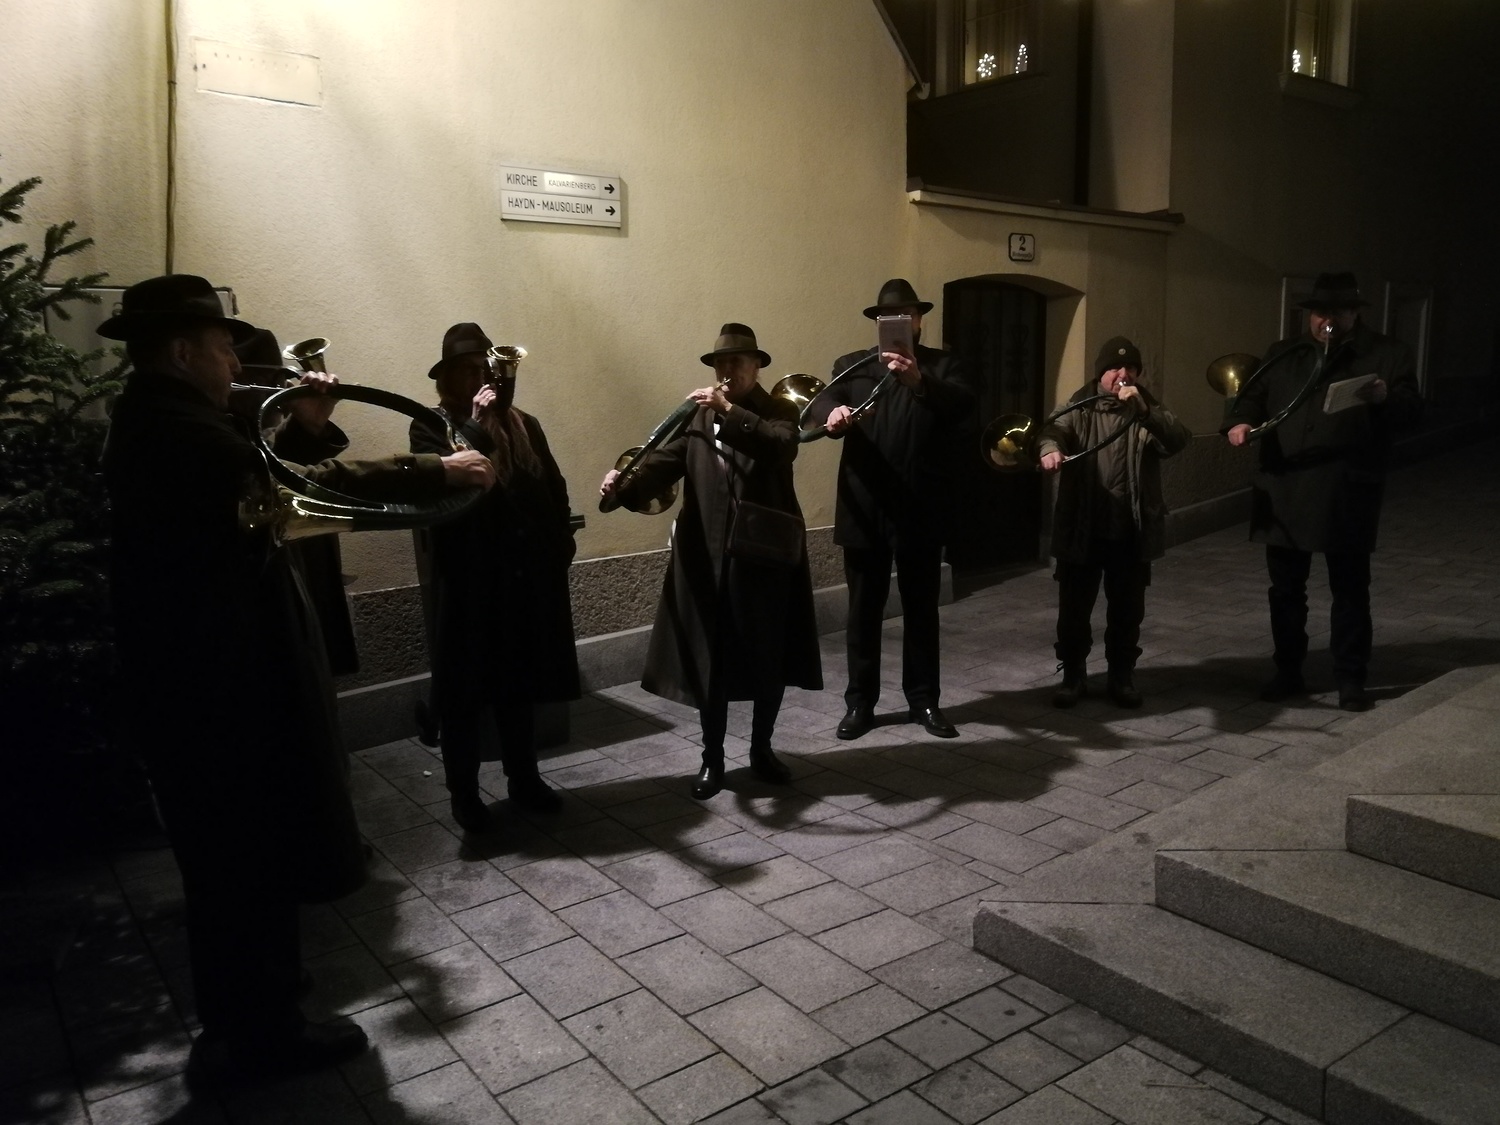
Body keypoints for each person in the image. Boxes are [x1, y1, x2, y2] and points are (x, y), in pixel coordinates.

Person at [99, 275, 494, 1087]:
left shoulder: (156, 418)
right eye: (223, 349)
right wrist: (434, 468)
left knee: (232, 864)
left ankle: (249, 1014)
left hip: (201, 688)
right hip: (223, 694)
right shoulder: (184, 435)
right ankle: (262, 1034)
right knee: (244, 861)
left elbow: (268, 465)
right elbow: (300, 488)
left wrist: (305, 422)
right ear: (183, 351)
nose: (233, 364)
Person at [599, 323, 821, 799]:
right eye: (720, 362)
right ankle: (712, 758)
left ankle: (761, 749)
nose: (727, 369)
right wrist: (624, 482)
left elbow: (780, 447)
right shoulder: (699, 418)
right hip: (708, 557)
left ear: (757, 366)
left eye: (736, 361)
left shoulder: (777, 409)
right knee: (711, 659)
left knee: (769, 655)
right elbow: (668, 460)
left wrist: (730, 410)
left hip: (764, 555)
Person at [1224, 271, 1421, 711]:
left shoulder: (1386, 354)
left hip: (1345, 492)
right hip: (1285, 487)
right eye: (1318, 312)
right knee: (1285, 591)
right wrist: (1239, 421)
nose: (1325, 320)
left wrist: (1384, 398)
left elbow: (1412, 412)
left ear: (1353, 313)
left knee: (1350, 590)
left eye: (1335, 312)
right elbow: (1252, 396)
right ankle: (1288, 671)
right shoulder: (1284, 352)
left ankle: (1350, 677)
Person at [411, 323, 579, 833]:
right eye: (466, 371)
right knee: (463, 695)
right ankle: (464, 796)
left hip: (521, 580)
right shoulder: (429, 426)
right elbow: (437, 487)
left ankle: (523, 779)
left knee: (518, 686)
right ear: (445, 380)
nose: (479, 380)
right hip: (468, 583)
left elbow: (553, 484)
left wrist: (561, 543)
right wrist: (479, 425)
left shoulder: (526, 423)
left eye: (484, 370)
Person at [818, 279, 975, 740]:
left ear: (920, 320)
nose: (900, 323)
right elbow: (823, 398)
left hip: (920, 505)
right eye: (890, 317)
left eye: (908, 315)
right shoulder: (853, 365)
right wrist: (831, 414)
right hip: (865, 505)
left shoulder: (944, 365)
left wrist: (919, 381)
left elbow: (964, 406)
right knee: (863, 611)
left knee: (921, 610)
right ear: (878, 323)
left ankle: (923, 701)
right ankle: (860, 704)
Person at [1038, 336, 1190, 708]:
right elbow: (1052, 430)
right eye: (1114, 368)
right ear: (1100, 373)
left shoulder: (1145, 408)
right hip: (1083, 528)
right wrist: (1050, 449)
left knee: (1126, 612)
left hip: (1130, 531)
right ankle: (1074, 675)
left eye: (1130, 368)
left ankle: (1122, 676)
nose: (1123, 374)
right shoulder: (1079, 405)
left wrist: (1145, 411)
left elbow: (1177, 439)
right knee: (1073, 612)